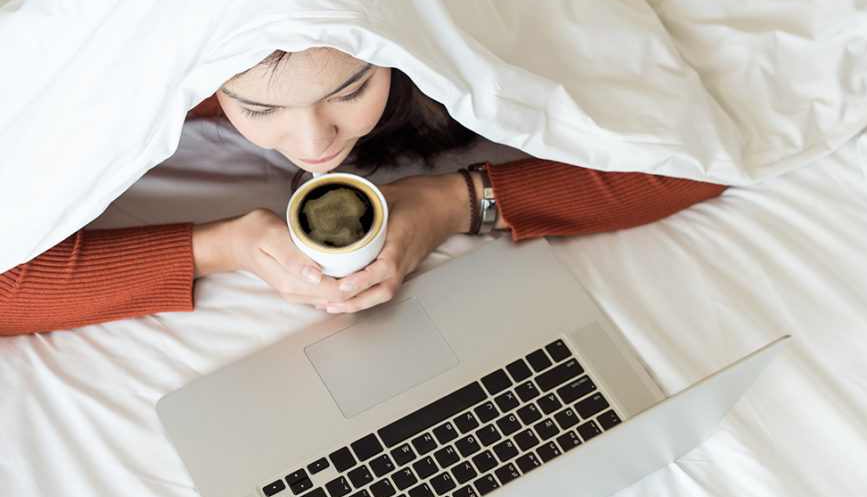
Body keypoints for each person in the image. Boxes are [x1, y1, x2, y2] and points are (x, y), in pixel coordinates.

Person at [0, 47, 726, 334]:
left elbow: (703, 156)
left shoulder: (455, 48)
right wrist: (227, 245)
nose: (317, 144)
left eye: (350, 91)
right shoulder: (159, 66)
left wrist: (452, 203)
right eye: (259, 110)